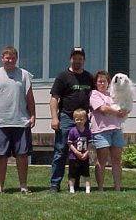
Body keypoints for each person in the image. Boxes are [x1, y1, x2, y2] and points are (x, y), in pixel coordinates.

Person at [0, 46, 36, 194]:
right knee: (1, 156)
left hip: (21, 121)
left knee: (22, 155)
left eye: (13, 58)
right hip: (0, 122)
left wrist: (32, 115)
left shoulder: (24, 75)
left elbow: (30, 98)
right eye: (7, 58)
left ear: (16, 59)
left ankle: (23, 186)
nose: (10, 61)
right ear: (2, 58)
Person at [49, 47, 94, 193]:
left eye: (80, 58)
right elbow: (54, 98)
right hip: (66, 117)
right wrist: (55, 118)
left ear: (84, 60)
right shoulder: (63, 76)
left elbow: (94, 98)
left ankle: (74, 184)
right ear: (71, 59)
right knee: (61, 150)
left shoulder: (89, 77)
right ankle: (55, 184)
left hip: (83, 119)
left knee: (80, 152)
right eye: (75, 57)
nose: (77, 60)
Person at [89, 70, 128, 191]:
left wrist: (125, 110)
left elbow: (124, 105)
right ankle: (100, 187)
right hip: (101, 130)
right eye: (99, 81)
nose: (102, 83)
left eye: (104, 81)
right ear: (96, 83)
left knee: (117, 160)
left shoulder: (113, 95)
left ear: (108, 83)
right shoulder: (94, 94)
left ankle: (117, 187)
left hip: (116, 129)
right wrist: (117, 112)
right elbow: (102, 108)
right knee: (102, 160)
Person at [67, 108, 92, 193]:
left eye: (81, 119)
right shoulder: (72, 131)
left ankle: (88, 189)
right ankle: (71, 188)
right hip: (73, 157)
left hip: (85, 156)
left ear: (85, 120)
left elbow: (90, 143)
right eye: (77, 119)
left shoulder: (88, 131)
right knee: (72, 174)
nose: (79, 121)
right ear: (74, 120)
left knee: (86, 174)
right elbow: (69, 143)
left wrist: (87, 153)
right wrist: (76, 152)